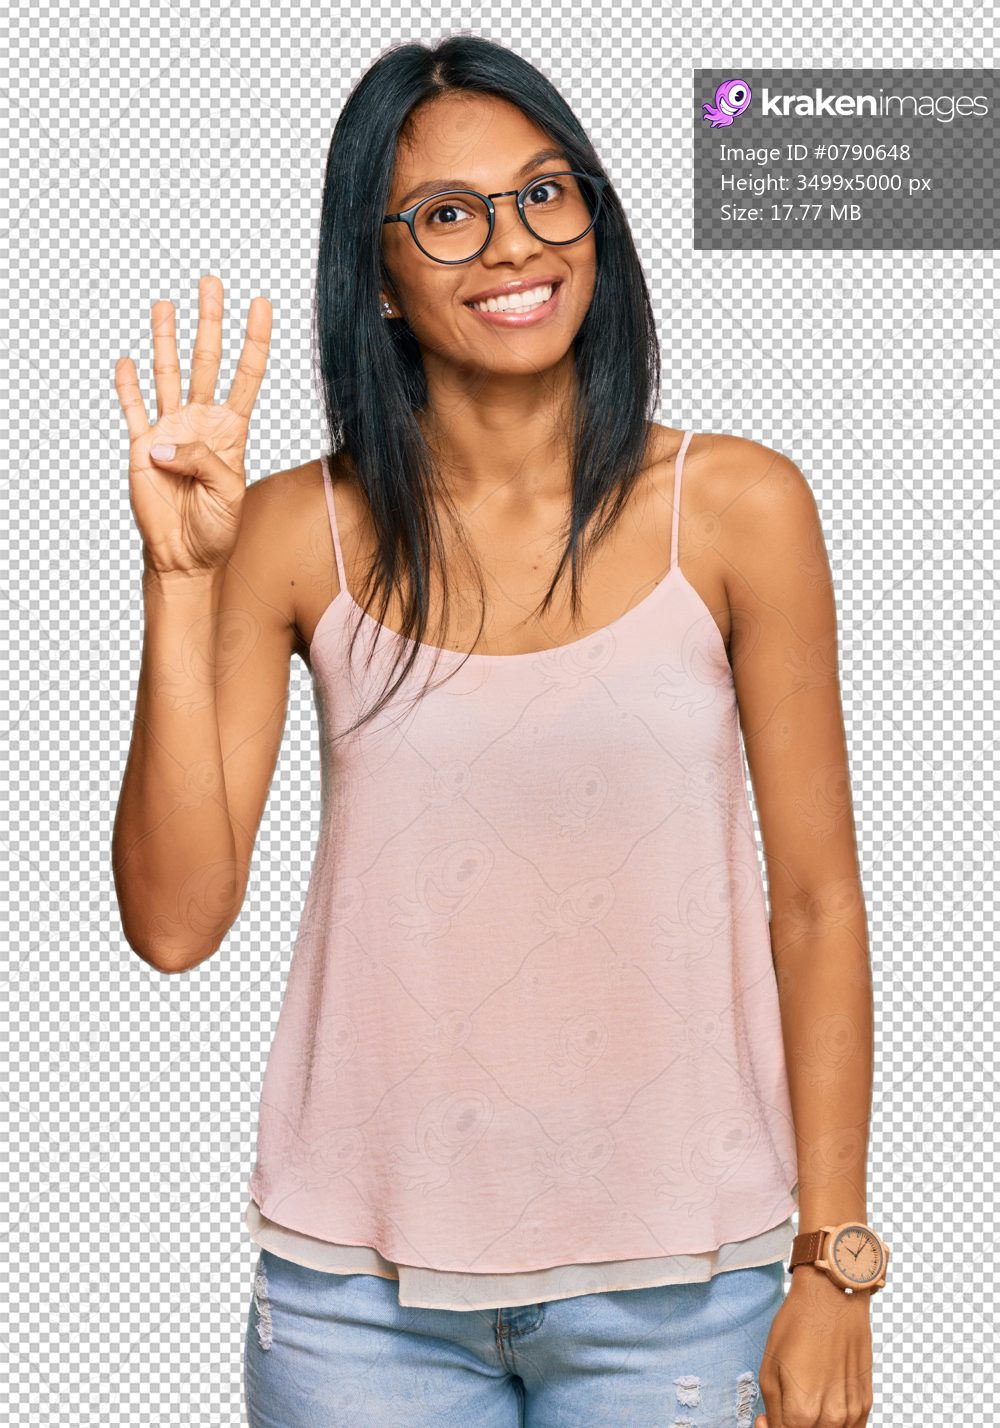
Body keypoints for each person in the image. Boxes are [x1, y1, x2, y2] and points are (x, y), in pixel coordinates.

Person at [112, 34, 880, 1428]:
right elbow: (173, 924)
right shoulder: (297, 531)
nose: (513, 245)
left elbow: (818, 906)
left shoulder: (742, 509)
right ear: (383, 277)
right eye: (449, 216)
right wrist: (178, 584)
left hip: (685, 1297)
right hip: (359, 1311)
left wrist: (833, 1263)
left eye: (547, 193)